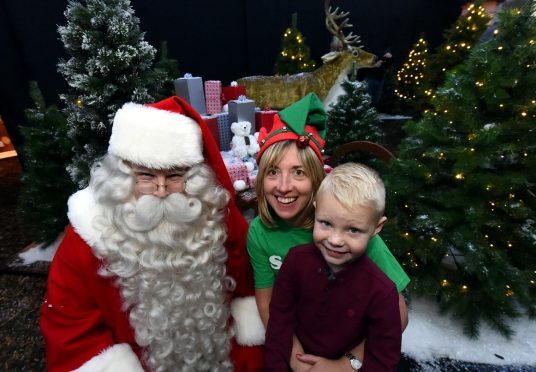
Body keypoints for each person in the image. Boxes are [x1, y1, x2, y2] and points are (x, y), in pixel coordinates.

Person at [40, 96, 265, 371]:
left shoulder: (212, 221)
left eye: (174, 176)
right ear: (122, 176)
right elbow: (71, 331)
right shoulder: (88, 239)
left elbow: (247, 288)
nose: (161, 190)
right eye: (146, 176)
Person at [247, 92, 409, 370]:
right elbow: (270, 306)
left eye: (298, 172)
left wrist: (346, 365)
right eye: (273, 172)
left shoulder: (346, 230)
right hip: (299, 344)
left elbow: (398, 315)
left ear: (318, 179)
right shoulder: (260, 232)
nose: (283, 186)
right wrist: (299, 363)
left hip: (350, 349)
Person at [265, 162, 401, 371]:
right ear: (316, 212)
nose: (335, 240)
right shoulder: (295, 261)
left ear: (377, 227)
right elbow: (279, 322)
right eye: (326, 224)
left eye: (353, 230)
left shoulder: (382, 292)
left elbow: (382, 359)